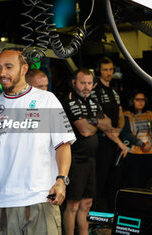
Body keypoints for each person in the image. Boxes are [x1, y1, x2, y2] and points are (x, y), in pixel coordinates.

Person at [0, 47, 76, 235]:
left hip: (42, 198)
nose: (2, 73)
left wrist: (61, 180)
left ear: (23, 69)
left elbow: (63, 145)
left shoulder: (46, 100)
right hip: (4, 201)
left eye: (9, 67)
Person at [62, 68, 121, 235]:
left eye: (89, 83)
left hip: (90, 159)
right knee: (72, 205)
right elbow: (85, 131)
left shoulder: (92, 102)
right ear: (74, 83)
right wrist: (96, 123)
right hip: (75, 159)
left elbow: (108, 124)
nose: (86, 87)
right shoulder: (70, 101)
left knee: (87, 203)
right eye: (82, 83)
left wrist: (91, 120)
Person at [91, 56, 128, 212]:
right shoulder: (95, 89)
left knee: (115, 181)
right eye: (105, 69)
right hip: (102, 142)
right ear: (99, 70)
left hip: (115, 139)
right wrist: (116, 138)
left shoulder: (114, 89)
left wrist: (119, 129)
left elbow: (121, 114)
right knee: (100, 181)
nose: (108, 73)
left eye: (111, 69)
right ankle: (96, 217)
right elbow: (101, 121)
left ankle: (112, 216)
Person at [121, 90, 152, 188]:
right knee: (134, 181)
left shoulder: (150, 114)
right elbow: (126, 133)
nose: (140, 102)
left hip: (150, 152)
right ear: (132, 101)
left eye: (142, 100)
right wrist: (142, 144)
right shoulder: (127, 115)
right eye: (137, 99)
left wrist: (150, 144)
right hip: (134, 152)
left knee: (147, 181)